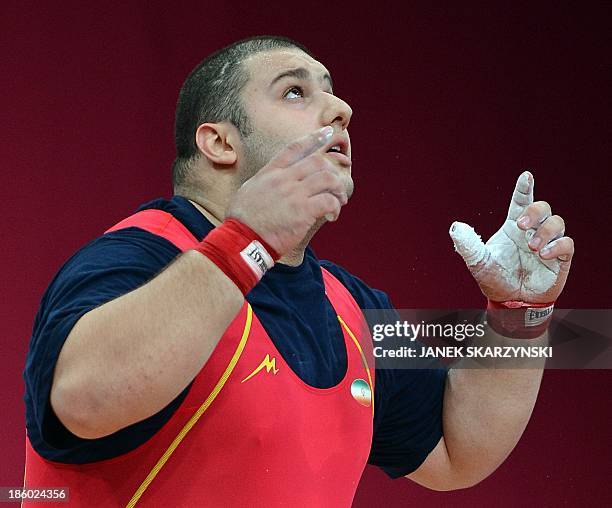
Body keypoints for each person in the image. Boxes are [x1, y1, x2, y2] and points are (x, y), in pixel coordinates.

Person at [23, 36, 574, 506]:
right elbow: (82, 401)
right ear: (219, 141)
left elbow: (458, 451)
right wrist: (249, 240)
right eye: (295, 91)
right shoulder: (136, 258)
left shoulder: (352, 308)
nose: (341, 109)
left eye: (332, 90)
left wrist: (519, 316)